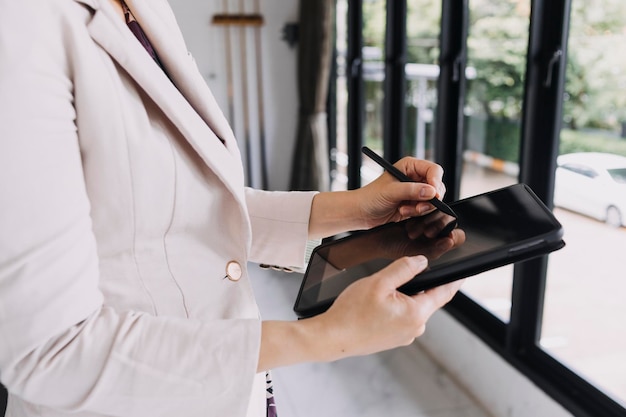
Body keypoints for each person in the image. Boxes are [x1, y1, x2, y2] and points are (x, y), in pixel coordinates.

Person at [0, 1, 465, 416]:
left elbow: (186, 206)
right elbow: (51, 354)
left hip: (231, 389)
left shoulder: (146, 9)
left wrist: (355, 209)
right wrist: (328, 336)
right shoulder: (21, 26)